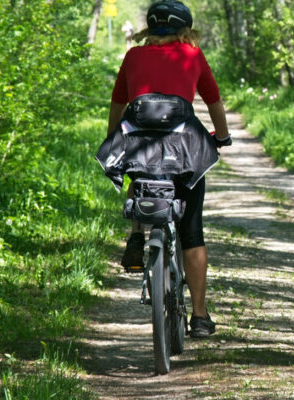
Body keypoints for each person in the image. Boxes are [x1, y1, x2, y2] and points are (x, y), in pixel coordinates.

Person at [106, 0, 232, 337]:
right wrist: (222, 137)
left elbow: (119, 103)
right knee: (192, 230)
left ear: (150, 28)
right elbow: (213, 100)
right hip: (183, 146)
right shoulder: (192, 54)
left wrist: (112, 138)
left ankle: (136, 233)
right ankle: (201, 317)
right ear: (184, 29)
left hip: (138, 141)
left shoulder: (133, 55)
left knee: (139, 169)